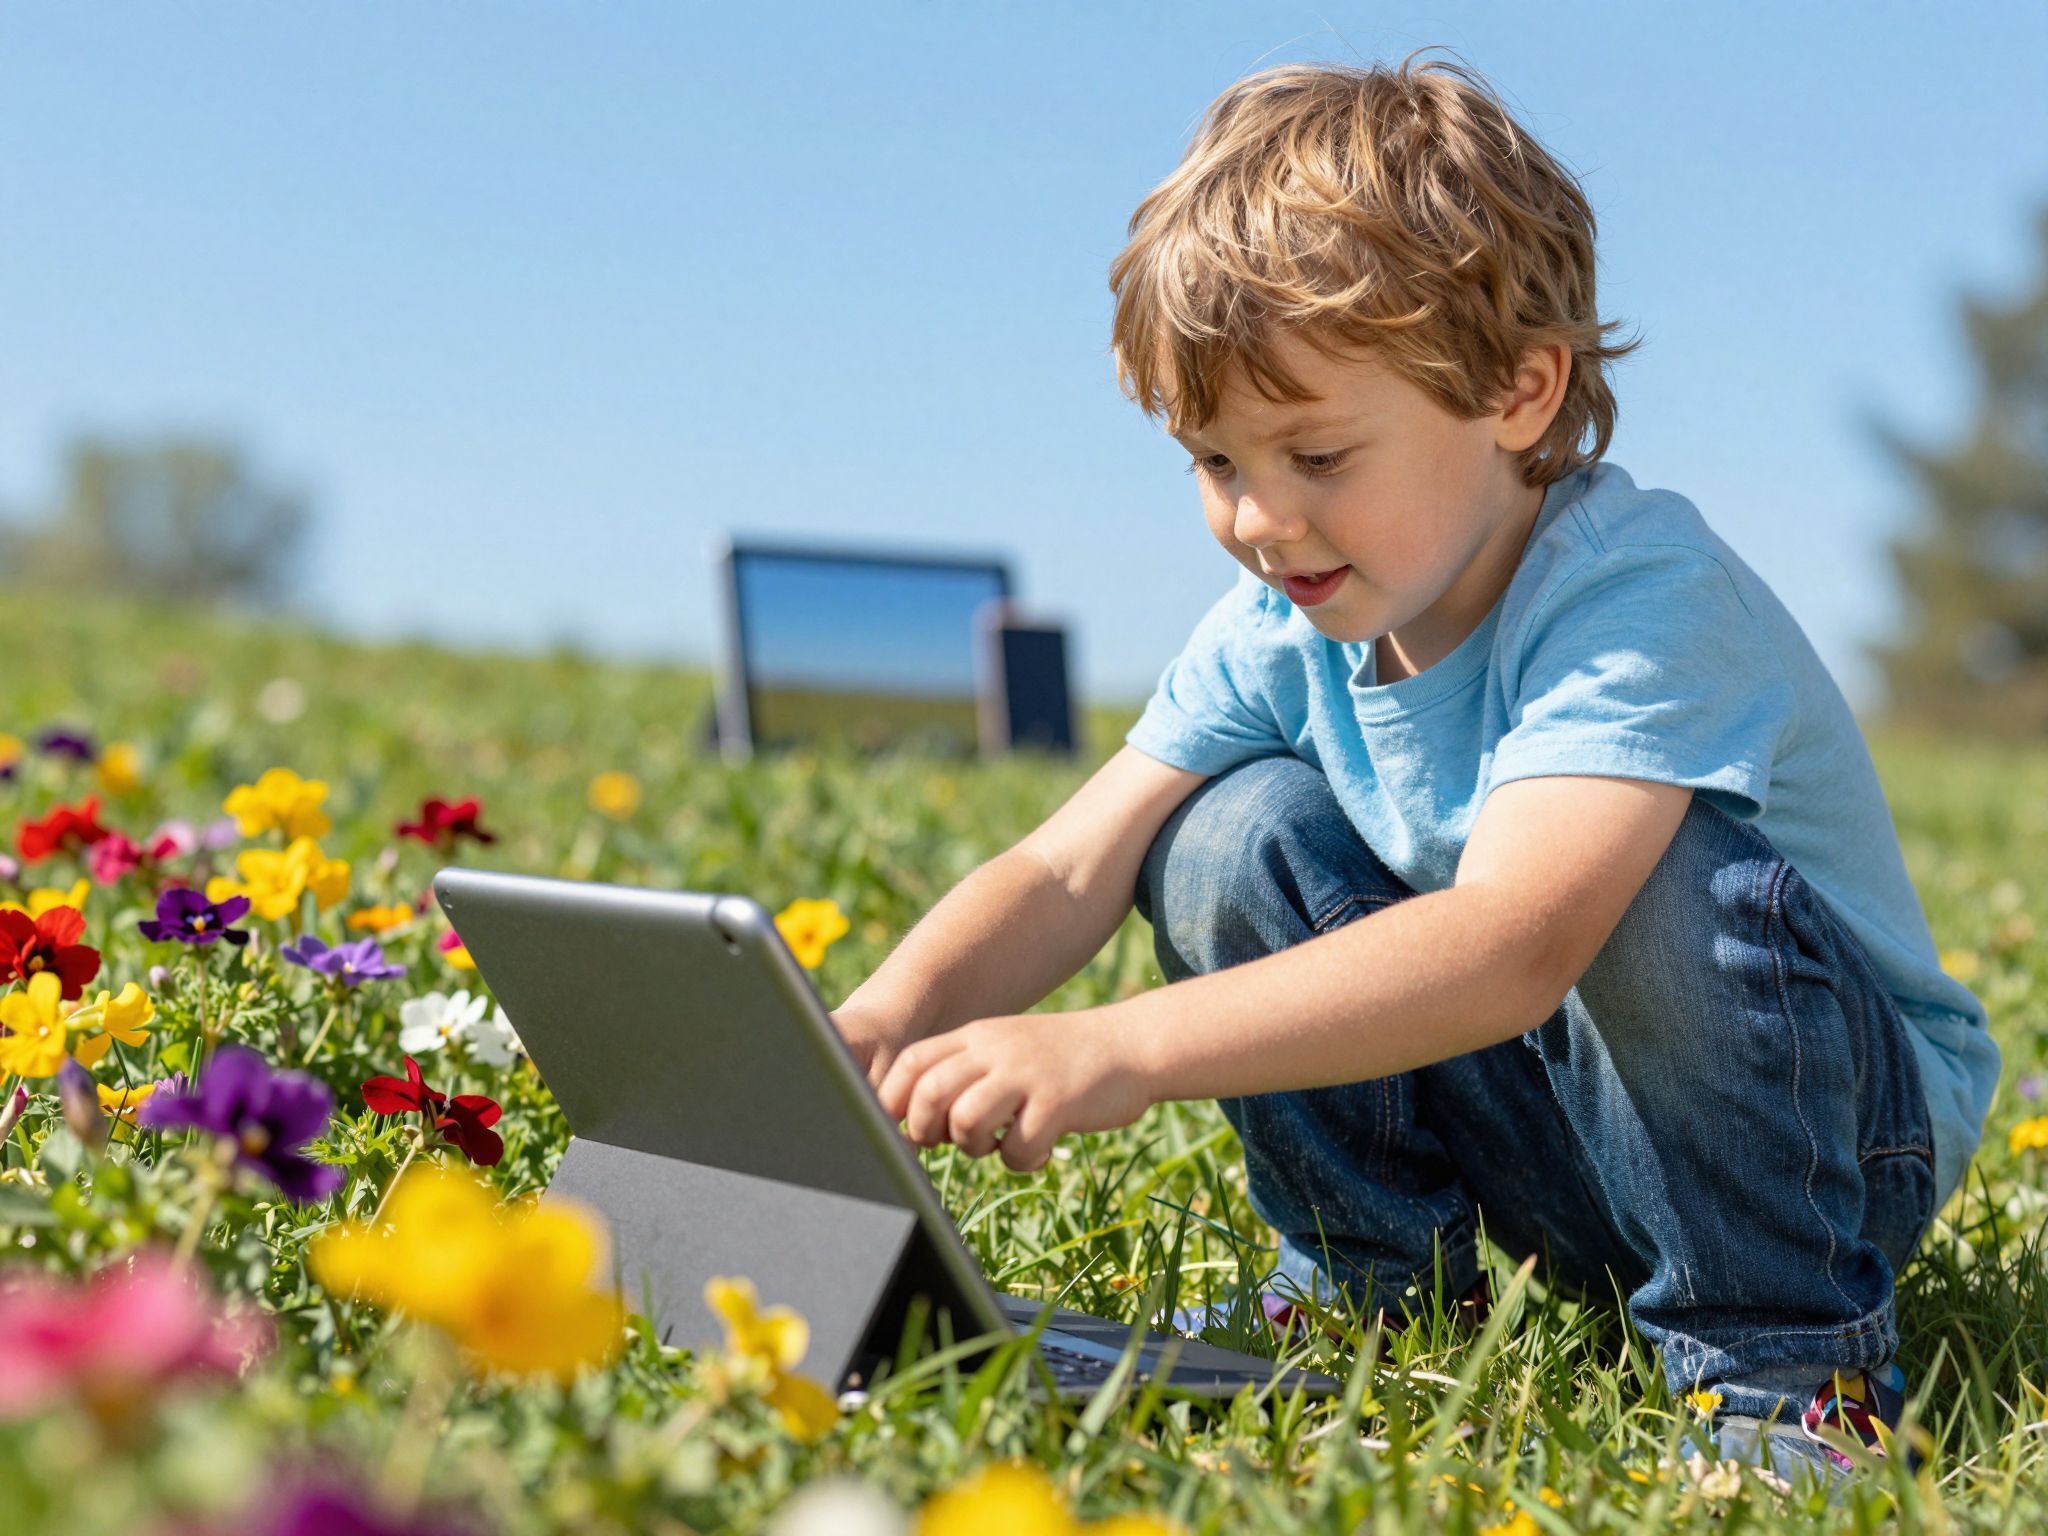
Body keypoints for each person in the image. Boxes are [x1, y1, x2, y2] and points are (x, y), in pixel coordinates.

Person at [829, 48, 1997, 1479]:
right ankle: (1381, 1294)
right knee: (1217, 833)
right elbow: (1072, 861)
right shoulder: (1290, 614)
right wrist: (873, 1030)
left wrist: (1112, 1045)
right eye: (1214, 462)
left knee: (1643, 879)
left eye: (1317, 454)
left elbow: (1515, 946)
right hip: (1561, 1122)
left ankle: (1782, 1373)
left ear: (1519, 388)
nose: (1261, 519)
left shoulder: (1638, 595)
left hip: (1820, 1156)